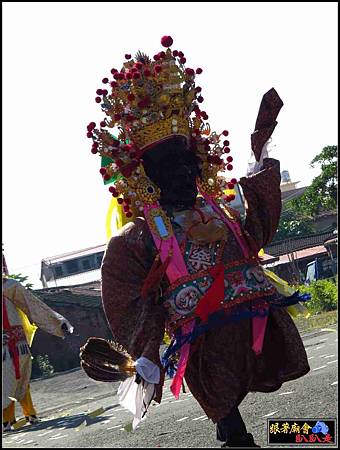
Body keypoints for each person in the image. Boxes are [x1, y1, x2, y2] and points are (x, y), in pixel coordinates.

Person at [80, 36, 310, 447]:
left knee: (298, 431)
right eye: (169, 165)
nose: (184, 172)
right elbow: (132, 299)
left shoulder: (221, 209)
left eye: (188, 160)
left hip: (258, 320)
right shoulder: (140, 238)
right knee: (235, 431)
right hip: (206, 340)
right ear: (146, 174)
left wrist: (260, 159)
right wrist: (147, 352)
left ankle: (316, 437)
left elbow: (257, 228)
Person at [2, 272, 73, 432]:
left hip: (16, 343)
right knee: (7, 380)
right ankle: (10, 420)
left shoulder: (11, 286)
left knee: (18, 379)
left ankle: (26, 416)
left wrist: (57, 322)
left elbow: (33, 305)